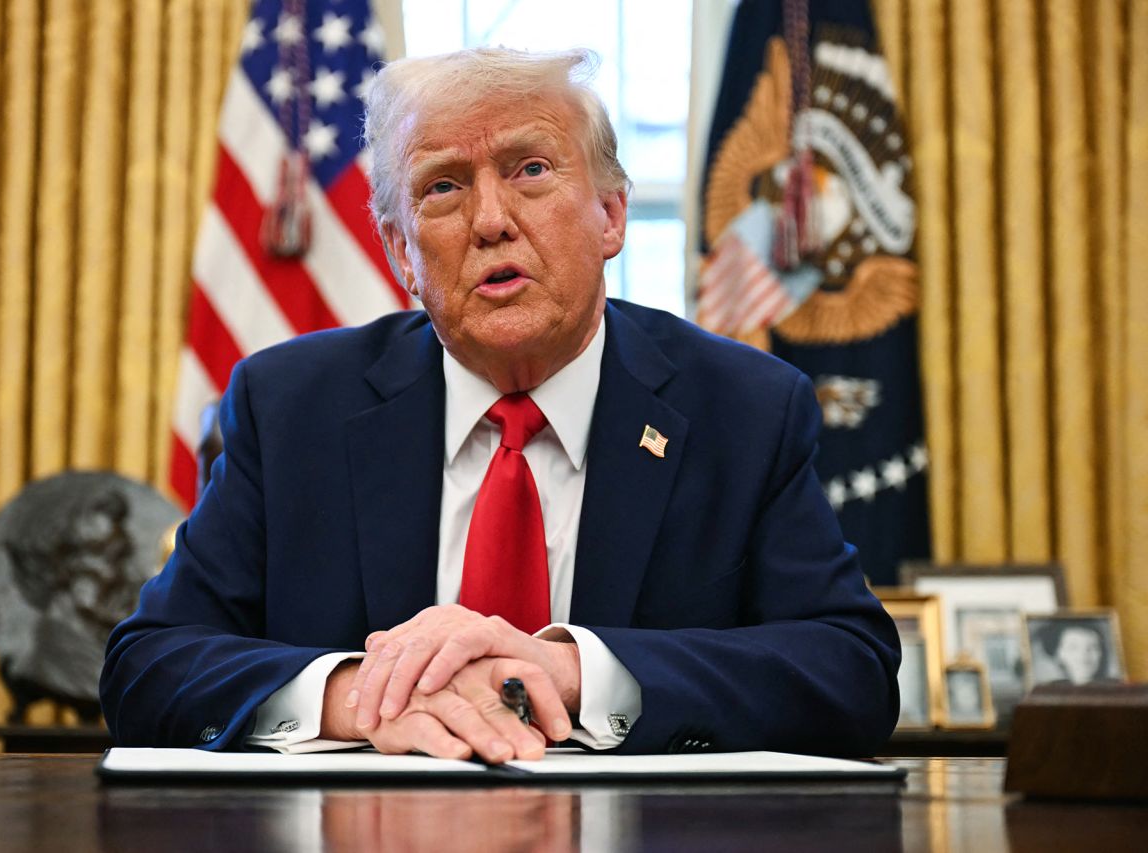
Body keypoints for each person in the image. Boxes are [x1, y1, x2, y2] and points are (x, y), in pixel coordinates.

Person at [100, 47, 900, 762]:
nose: (490, 221)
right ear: (402, 252)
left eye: (531, 170)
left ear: (611, 214)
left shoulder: (743, 409)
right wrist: (361, 696)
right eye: (443, 187)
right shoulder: (291, 407)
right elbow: (149, 663)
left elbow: (849, 669)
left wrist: (567, 670)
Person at [1037, 622, 1110, 686]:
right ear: (1058, 654)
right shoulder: (1048, 691)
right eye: (1073, 647)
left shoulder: (1113, 689)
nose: (1084, 654)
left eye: (1093, 647)